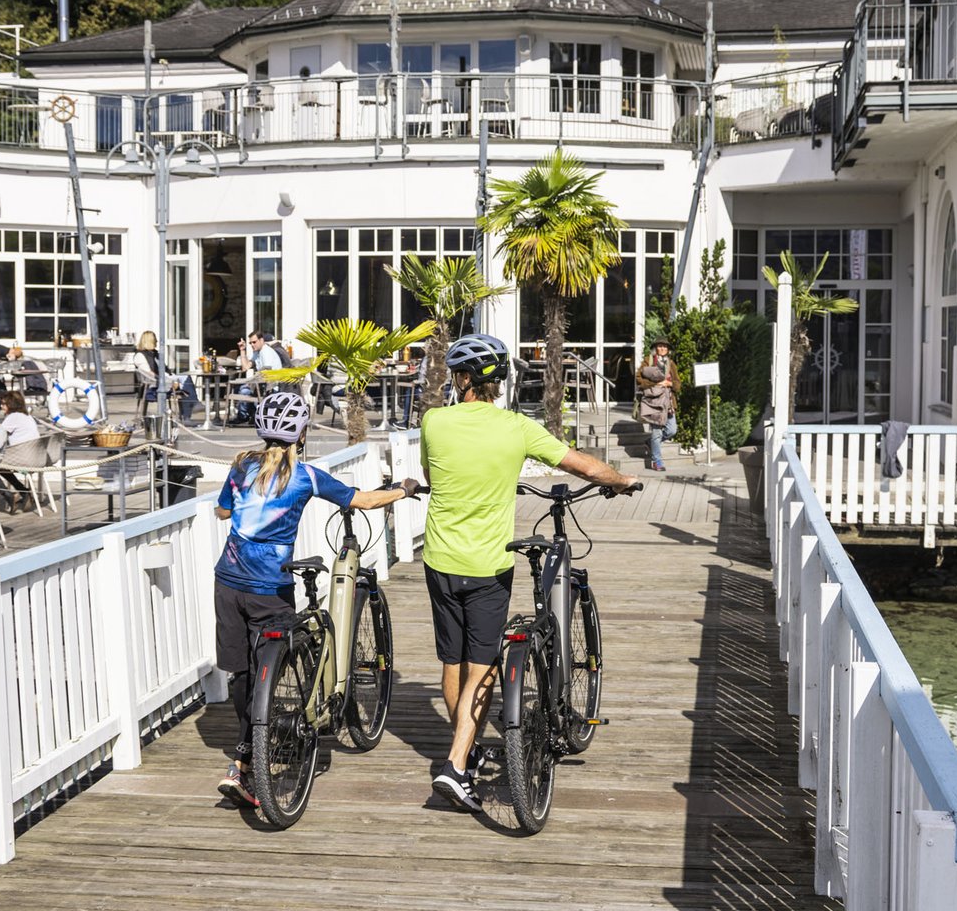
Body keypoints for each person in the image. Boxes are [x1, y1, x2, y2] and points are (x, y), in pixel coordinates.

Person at [419, 333, 638, 812]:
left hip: (439, 559)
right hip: (486, 566)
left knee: (451, 662)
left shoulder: (433, 422)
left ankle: (464, 745)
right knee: (483, 665)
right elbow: (581, 465)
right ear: (499, 381)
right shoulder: (517, 429)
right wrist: (623, 481)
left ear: (460, 379)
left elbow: (435, 479)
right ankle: (456, 764)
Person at [211, 391, 416, 807]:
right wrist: (403, 489)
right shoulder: (305, 476)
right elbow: (363, 500)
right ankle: (260, 746)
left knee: (242, 673)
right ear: (300, 434)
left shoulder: (241, 467)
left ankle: (242, 760)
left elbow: (223, 513)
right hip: (271, 587)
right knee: (284, 652)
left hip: (228, 583)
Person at [637, 340, 679, 472]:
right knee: (656, 432)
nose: (662, 348)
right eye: (660, 346)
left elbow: (678, 383)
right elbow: (638, 378)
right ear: (655, 348)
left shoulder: (671, 363)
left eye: (665, 347)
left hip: (668, 403)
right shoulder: (648, 361)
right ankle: (657, 461)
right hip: (654, 402)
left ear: (668, 349)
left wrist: (669, 384)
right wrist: (655, 384)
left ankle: (650, 443)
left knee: (672, 430)